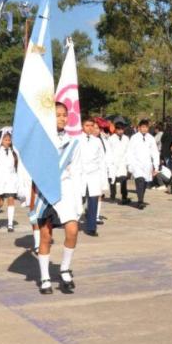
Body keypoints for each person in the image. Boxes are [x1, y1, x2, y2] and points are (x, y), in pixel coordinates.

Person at [33, 102, 82, 294]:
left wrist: (79, 200)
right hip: (45, 191)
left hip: (67, 190)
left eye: (64, 115)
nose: (62, 118)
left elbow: (77, 170)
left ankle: (64, 268)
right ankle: (45, 277)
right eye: (57, 115)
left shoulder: (73, 142)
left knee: (73, 230)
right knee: (46, 235)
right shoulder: (40, 140)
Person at [78, 117, 108, 236]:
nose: (89, 128)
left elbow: (101, 160)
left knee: (93, 201)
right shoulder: (76, 139)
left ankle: (91, 227)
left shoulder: (97, 141)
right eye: (87, 125)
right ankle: (72, 222)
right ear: (82, 126)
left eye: (91, 125)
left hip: (94, 175)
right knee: (78, 201)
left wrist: (103, 179)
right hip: (80, 174)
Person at [0, 129, 20, 232]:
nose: (8, 142)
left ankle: (10, 224)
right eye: (5, 140)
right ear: (1, 140)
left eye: (9, 140)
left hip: (11, 179)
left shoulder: (14, 153)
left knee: (11, 199)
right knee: (0, 202)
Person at [126, 119, 160, 209]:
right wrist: (129, 164)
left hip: (147, 164)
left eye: (146, 127)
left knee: (144, 183)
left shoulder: (151, 138)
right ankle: (140, 201)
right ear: (139, 128)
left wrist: (156, 165)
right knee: (139, 180)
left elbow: (155, 152)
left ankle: (141, 198)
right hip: (136, 163)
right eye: (143, 127)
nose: (144, 129)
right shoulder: (134, 138)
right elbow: (130, 151)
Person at [108, 121, 131, 203]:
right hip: (114, 162)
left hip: (123, 162)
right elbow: (109, 151)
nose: (120, 131)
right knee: (113, 179)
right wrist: (110, 162)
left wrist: (128, 162)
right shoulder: (111, 139)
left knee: (123, 180)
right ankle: (113, 195)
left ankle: (124, 196)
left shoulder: (126, 138)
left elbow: (128, 150)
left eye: (122, 129)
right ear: (115, 130)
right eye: (119, 129)